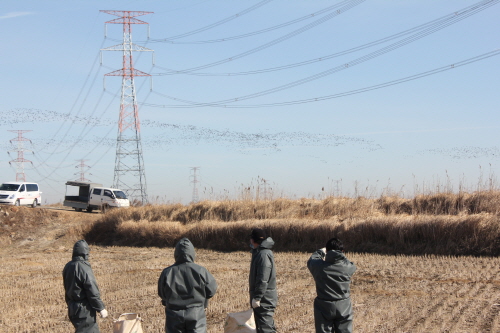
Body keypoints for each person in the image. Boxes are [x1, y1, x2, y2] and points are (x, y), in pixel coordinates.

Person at [158, 238, 218, 333]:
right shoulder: (201, 271)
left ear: (176, 253)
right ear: (192, 253)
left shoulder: (167, 272)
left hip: (173, 316)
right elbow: (211, 291)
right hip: (196, 314)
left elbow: (162, 293)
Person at [307, 238, 357, 333]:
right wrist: (340, 255)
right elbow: (350, 263)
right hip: (343, 306)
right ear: (342, 252)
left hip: (324, 305)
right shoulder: (348, 267)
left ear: (327, 251)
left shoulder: (319, 266)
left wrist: (321, 251)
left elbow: (311, 260)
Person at [62, 239, 108, 333]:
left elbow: (67, 289)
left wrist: (71, 304)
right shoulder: (83, 267)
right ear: (85, 252)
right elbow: (91, 289)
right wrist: (101, 308)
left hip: (72, 308)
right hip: (84, 310)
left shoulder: (67, 267)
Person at [249, 228, 278, 333]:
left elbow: (262, 279)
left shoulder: (263, 255)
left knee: (266, 328)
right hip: (263, 298)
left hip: (265, 299)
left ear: (254, 240)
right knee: (262, 327)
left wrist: (257, 297)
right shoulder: (260, 253)